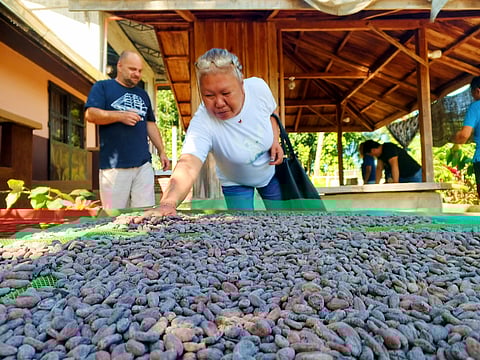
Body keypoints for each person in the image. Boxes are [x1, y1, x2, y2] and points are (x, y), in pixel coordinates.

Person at [146, 48, 284, 216]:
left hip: (269, 172)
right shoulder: (202, 122)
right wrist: (168, 203)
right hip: (234, 182)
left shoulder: (258, 87)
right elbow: (188, 165)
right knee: (244, 229)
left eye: (226, 93)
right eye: (209, 95)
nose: (219, 102)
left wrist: (275, 140)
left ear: (241, 85)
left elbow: (271, 113)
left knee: (281, 218)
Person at [85, 50, 170, 209]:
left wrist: (162, 151)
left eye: (139, 70)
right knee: (115, 216)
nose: (137, 74)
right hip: (114, 167)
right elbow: (90, 114)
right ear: (120, 66)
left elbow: (150, 124)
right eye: (132, 69)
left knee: (145, 214)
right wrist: (120, 116)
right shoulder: (103, 87)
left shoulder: (143, 94)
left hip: (143, 164)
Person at [452, 76, 480, 198]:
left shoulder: (476, 106)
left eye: (473, 93)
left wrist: (456, 140)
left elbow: (464, 135)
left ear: (478, 91)